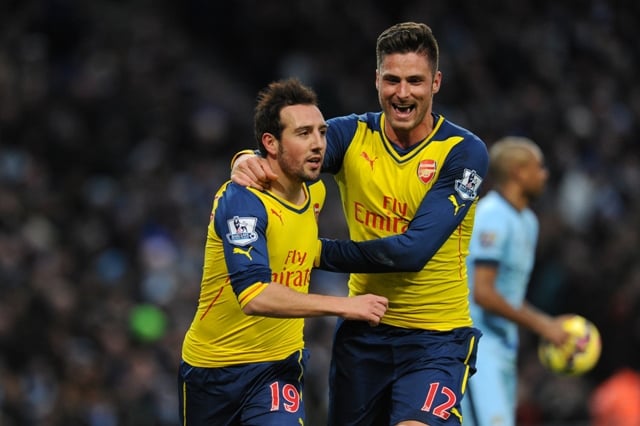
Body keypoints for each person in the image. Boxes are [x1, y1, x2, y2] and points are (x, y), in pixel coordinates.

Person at [232, 22, 489, 426]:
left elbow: (413, 251)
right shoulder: (353, 135)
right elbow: (294, 156)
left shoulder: (463, 152)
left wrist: (319, 253)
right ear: (377, 81)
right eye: (392, 80)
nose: (402, 93)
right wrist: (247, 159)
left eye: (415, 81)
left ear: (436, 83)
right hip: (363, 334)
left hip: (435, 339)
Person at [178, 78, 389, 426]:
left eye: (321, 132)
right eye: (304, 133)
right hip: (213, 370)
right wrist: (345, 306)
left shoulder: (315, 193)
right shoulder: (242, 201)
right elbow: (254, 295)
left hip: (278, 367)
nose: (319, 144)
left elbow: (299, 248)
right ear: (270, 143)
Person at [460, 136, 569, 426]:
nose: (544, 175)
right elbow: (483, 292)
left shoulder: (528, 221)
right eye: (539, 167)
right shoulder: (492, 216)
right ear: (519, 172)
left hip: (503, 344)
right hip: (476, 343)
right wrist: (542, 324)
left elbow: (509, 293)